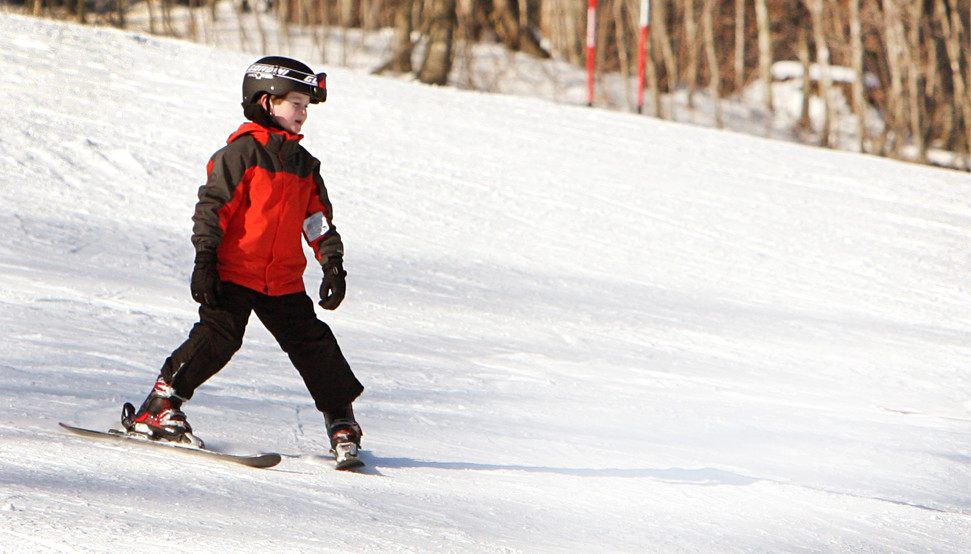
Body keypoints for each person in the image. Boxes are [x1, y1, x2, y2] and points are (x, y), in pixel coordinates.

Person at [123, 56, 364, 460]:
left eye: (306, 106)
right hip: (235, 271)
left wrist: (332, 265)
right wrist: (205, 259)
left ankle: (342, 421)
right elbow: (213, 209)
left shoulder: (304, 165)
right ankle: (158, 407)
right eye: (296, 104)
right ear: (266, 102)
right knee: (219, 337)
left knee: (313, 344)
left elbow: (317, 220)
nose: (303, 114)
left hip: (282, 279)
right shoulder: (241, 155)